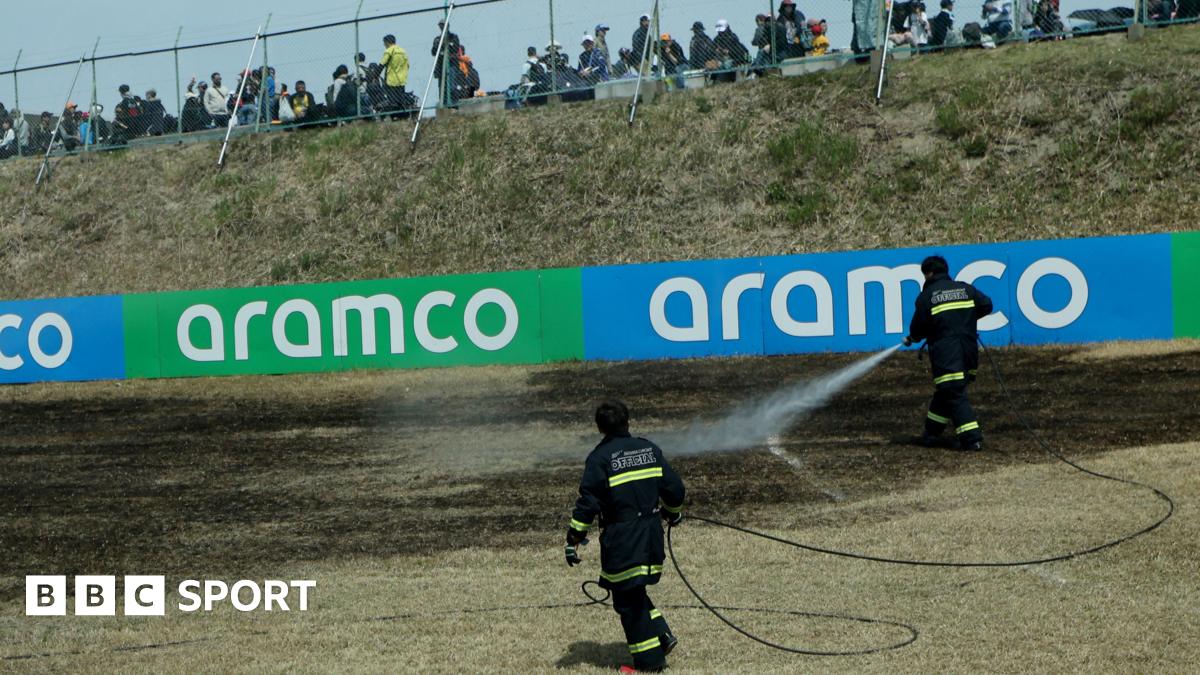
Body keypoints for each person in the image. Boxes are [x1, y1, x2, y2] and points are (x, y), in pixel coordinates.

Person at [565, 400, 686, 673]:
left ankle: (650, 663)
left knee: (627, 600)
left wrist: (574, 537)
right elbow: (675, 488)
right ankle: (662, 636)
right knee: (633, 589)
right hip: (651, 535)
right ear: (628, 422)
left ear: (599, 428)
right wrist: (674, 513)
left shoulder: (599, 458)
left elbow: (588, 503)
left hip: (623, 540)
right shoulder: (649, 449)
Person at [904, 256, 994, 452]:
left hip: (947, 353)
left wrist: (912, 337)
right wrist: (963, 319)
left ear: (929, 273)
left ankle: (972, 440)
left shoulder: (927, 297)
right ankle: (932, 432)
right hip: (969, 352)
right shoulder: (965, 289)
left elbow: (918, 328)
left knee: (954, 393)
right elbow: (987, 305)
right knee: (947, 391)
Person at [381, 34, 410, 112]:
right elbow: (407, 65)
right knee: (401, 99)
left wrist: (374, 75)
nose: (384, 45)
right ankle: (402, 115)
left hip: (391, 80)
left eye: (384, 43)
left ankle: (394, 115)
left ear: (387, 42)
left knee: (392, 101)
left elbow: (382, 64)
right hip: (401, 80)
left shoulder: (389, 51)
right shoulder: (403, 51)